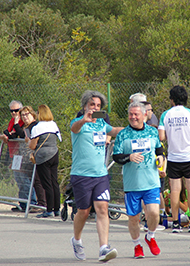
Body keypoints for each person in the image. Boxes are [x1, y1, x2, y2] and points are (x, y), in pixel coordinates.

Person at [69, 90, 122, 262]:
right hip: (81, 175)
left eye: (98, 106)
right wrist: (84, 120)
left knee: (102, 208)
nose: (95, 108)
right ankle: (76, 240)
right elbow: (74, 128)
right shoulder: (77, 122)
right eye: (92, 105)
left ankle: (103, 248)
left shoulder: (101, 124)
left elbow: (113, 130)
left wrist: (132, 128)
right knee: (83, 212)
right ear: (85, 106)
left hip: (100, 174)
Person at [113, 102, 164, 258]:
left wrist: (161, 158)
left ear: (144, 115)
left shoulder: (152, 132)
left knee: (154, 213)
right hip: (132, 184)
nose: (133, 117)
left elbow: (159, 149)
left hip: (151, 182)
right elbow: (116, 156)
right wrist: (129, 157)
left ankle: (150, 236)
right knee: (134, 218)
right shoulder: (123, 134)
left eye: (136, 114)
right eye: (131, 114)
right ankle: (137, 245)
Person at [158, 85, 190, 233]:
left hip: (174, 156)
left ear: (172, 99)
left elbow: (162, 137)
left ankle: (176, 222)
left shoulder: (165, 115)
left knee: (175, 190)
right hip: (189, 156)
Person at [0, 100, 37, 212]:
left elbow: (19, 135)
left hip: (22, 154)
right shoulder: (13, 120)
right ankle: (23, 203)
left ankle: (32, 202)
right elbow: (8, 135)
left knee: (25, 179)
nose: (14, 113)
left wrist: (14, 126)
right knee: (19, 179)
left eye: (16, 111)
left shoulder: (21, 121)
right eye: (11, 111)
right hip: (15, 154)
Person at [29, 104, 62, 218]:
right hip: (54, 154)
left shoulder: (37, 127)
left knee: (46, 184)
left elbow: (33, 146)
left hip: (43, 156)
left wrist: (29, 141)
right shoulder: (53, 125)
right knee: (54, 182)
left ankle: (49, 210)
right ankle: (57, 209)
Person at [19, 106, 46, 213]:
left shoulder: (35, 125)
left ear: (32, 114)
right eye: (23, 115)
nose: (25, 117)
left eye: (27, 114)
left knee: (38, 180)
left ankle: (42, 203)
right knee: (34, 181)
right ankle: (34, 202)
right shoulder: (25, 126)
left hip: (36, 155)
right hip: (27, 158)